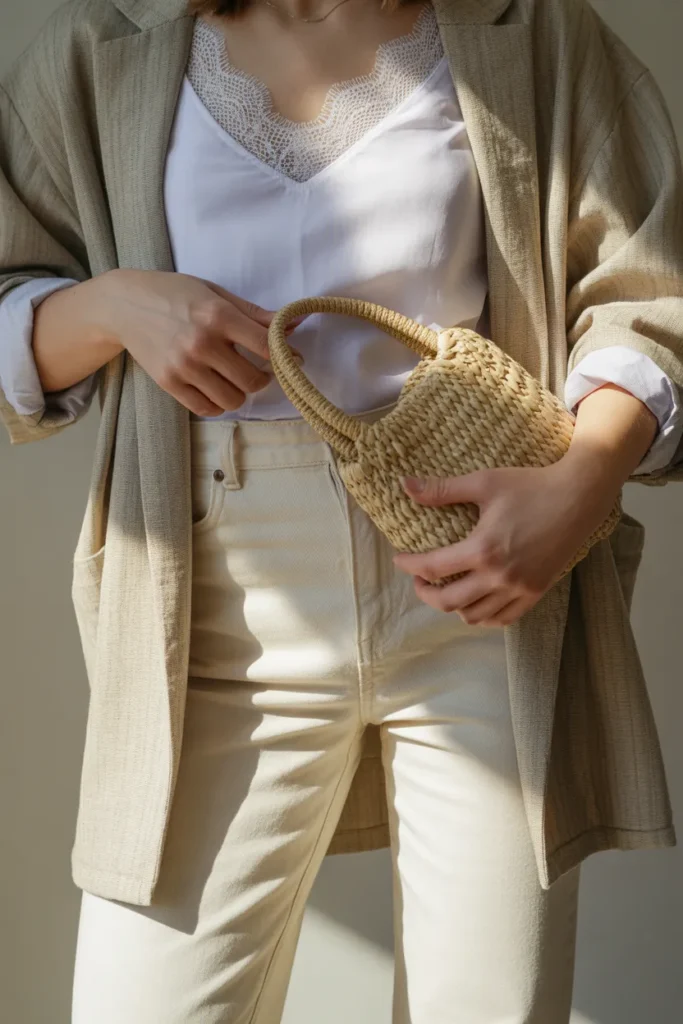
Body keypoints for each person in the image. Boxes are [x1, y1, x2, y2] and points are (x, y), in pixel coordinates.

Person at [1, 0, 682, 1020]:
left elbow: (649, 286)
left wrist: (579, 483)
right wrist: (115, 305)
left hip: (480, 586)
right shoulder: (109, 46)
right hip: (214, 607)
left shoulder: (527, 31)